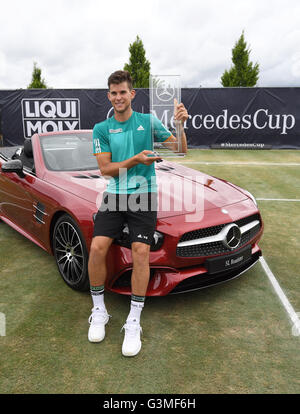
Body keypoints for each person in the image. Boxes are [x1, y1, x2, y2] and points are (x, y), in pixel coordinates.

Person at [88, 70, 189, 357]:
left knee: (140, 250)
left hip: (144, 194)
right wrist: (136, 159)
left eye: (123, 92)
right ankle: (99, 311)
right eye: (114, 92)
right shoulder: (101, 128)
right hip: (116, 195)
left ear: (133, 94)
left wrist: (180, 127)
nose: (118, 97)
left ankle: (133, 320)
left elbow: (180, 150)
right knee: (97, 247)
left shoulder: (148, 121)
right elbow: (107, 170)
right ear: (109, 96)